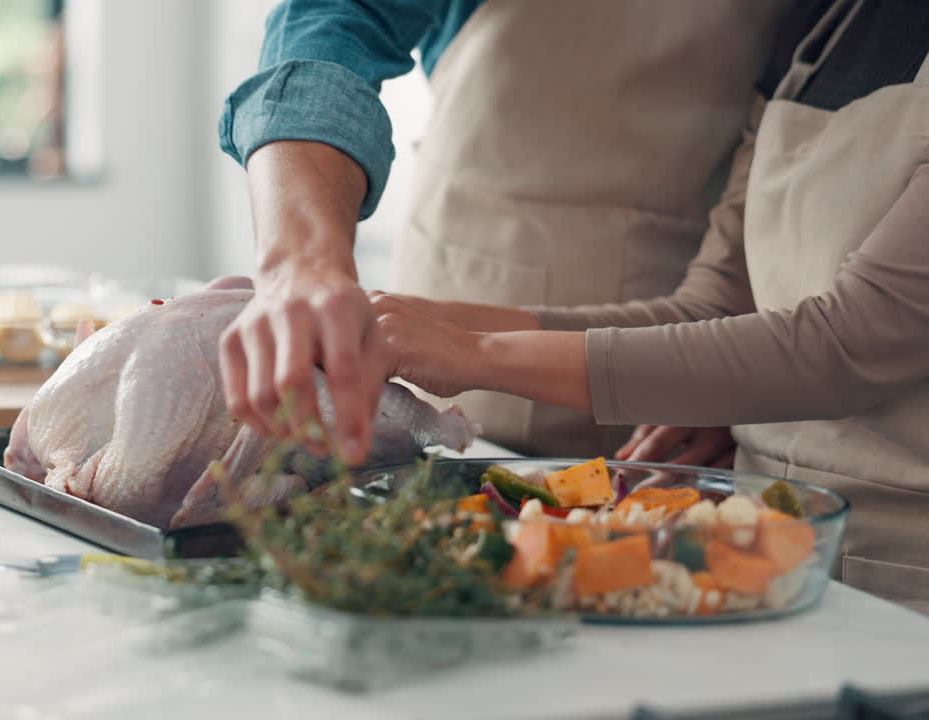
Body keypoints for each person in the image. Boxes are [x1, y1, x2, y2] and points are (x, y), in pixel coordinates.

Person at [369, 0, 929, 612]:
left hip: (899, 574)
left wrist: (474, 353)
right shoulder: (823, 23)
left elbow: (846, 346)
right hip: (752, 554)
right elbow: (711, 308)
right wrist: (396, 316)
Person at [216, 0, 795, 467]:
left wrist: (733, 376)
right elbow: (334, 19)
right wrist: (302, 259)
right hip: (442, 338)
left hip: (669, 371)